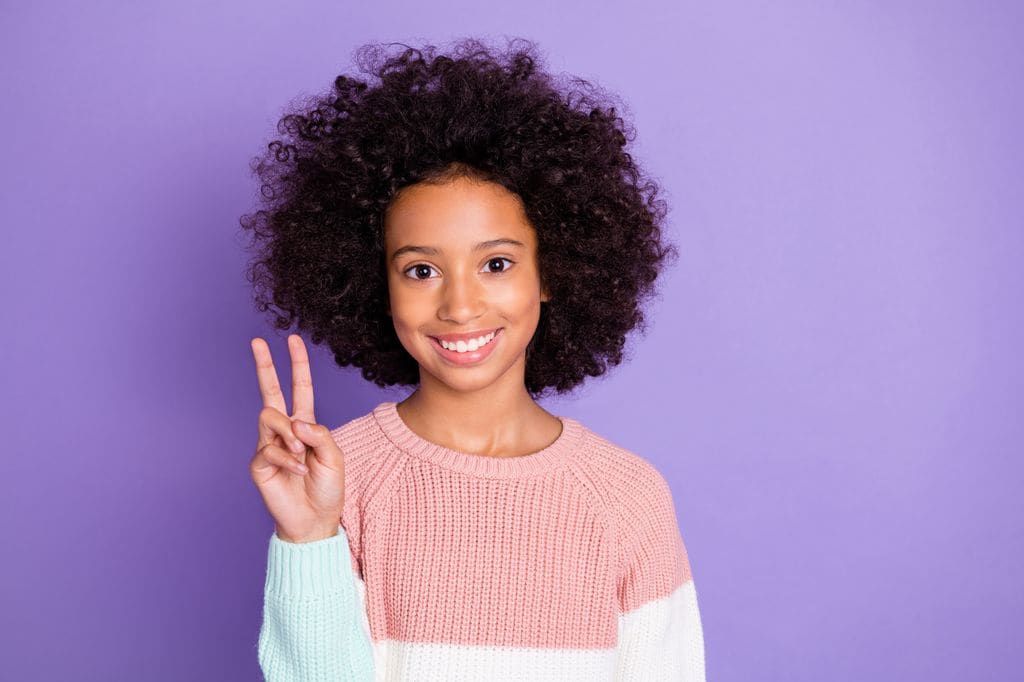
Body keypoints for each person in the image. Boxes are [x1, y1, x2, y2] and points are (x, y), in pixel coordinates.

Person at [241, 36, 706, 681]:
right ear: (377, 285)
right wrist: (309, 538)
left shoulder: (626, 498)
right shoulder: (337, 483)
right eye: (422, 269)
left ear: (553, 271)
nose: (460, 306)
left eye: (496, 263)